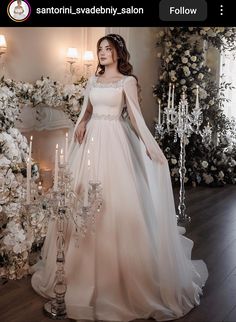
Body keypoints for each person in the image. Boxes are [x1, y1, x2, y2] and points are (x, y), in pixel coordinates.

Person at [31, 34, 208, 321]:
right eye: (99, 49)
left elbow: (135, 117)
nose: (102, 53)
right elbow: (87, 109)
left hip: (116, 141)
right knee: (80, 203)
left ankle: (124, 281)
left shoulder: (127, 81)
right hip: (91, 145)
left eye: (107, 49)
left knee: (119, 201)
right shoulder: (92, 81)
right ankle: (74, 273)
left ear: (118, 52)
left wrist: (151, 146)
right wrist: (84, 122)